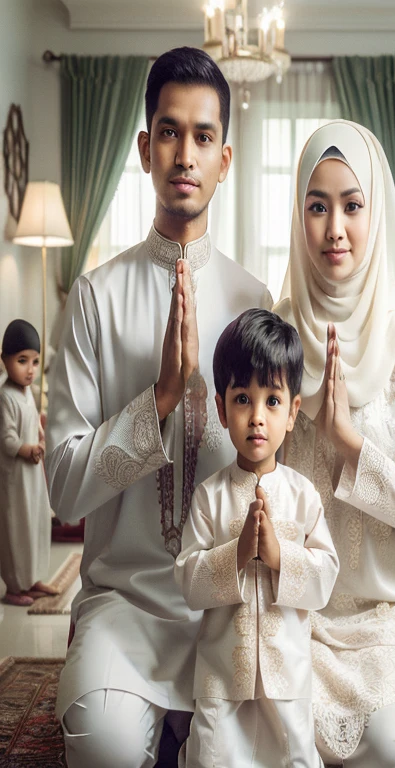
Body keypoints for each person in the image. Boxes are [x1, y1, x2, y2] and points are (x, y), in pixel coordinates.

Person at [45, 47, 271, 768]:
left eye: (203, 137)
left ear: (225, 159)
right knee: (103, 748)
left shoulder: (254, 303)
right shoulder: (95, 298)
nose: (185, 153)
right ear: (145, 149)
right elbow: (63, 484)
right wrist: (161, 399)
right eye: (169, 132)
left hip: (225, 608)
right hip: (125, 605)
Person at [274, 121, 395, 768]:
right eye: (317, 206)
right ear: (299, 215)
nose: (335, 229)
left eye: (352, 205)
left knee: (378, 744)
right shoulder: (277, 330)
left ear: (375, 210)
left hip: (382, 612)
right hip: (296, 606)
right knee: (270, 734)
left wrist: (352, 448)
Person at [175, 308, 339, 768]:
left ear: (292, 413)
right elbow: (187, 579)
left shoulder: (303, 495)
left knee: (293, 757)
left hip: (286, 676)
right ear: (222, 411)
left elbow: (325, 578)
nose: (257, 417)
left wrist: (279, 555)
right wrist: (237, 554)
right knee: (213, 757)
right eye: (243, 398)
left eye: (272, 401)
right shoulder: (210, 497)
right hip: (223, 677)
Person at [0, 319, 57, 607]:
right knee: (16, 528)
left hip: (33, 475)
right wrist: (28, 450)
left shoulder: (27, 393)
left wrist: (42, 439)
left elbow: (35, 423)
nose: (30, 369)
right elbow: (7, 439)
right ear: (4, 360)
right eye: (22, 360)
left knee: (36, 523)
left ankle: (33, 578)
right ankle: (14, 585)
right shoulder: (5, 397)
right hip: (14, 478)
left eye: (35, 361)